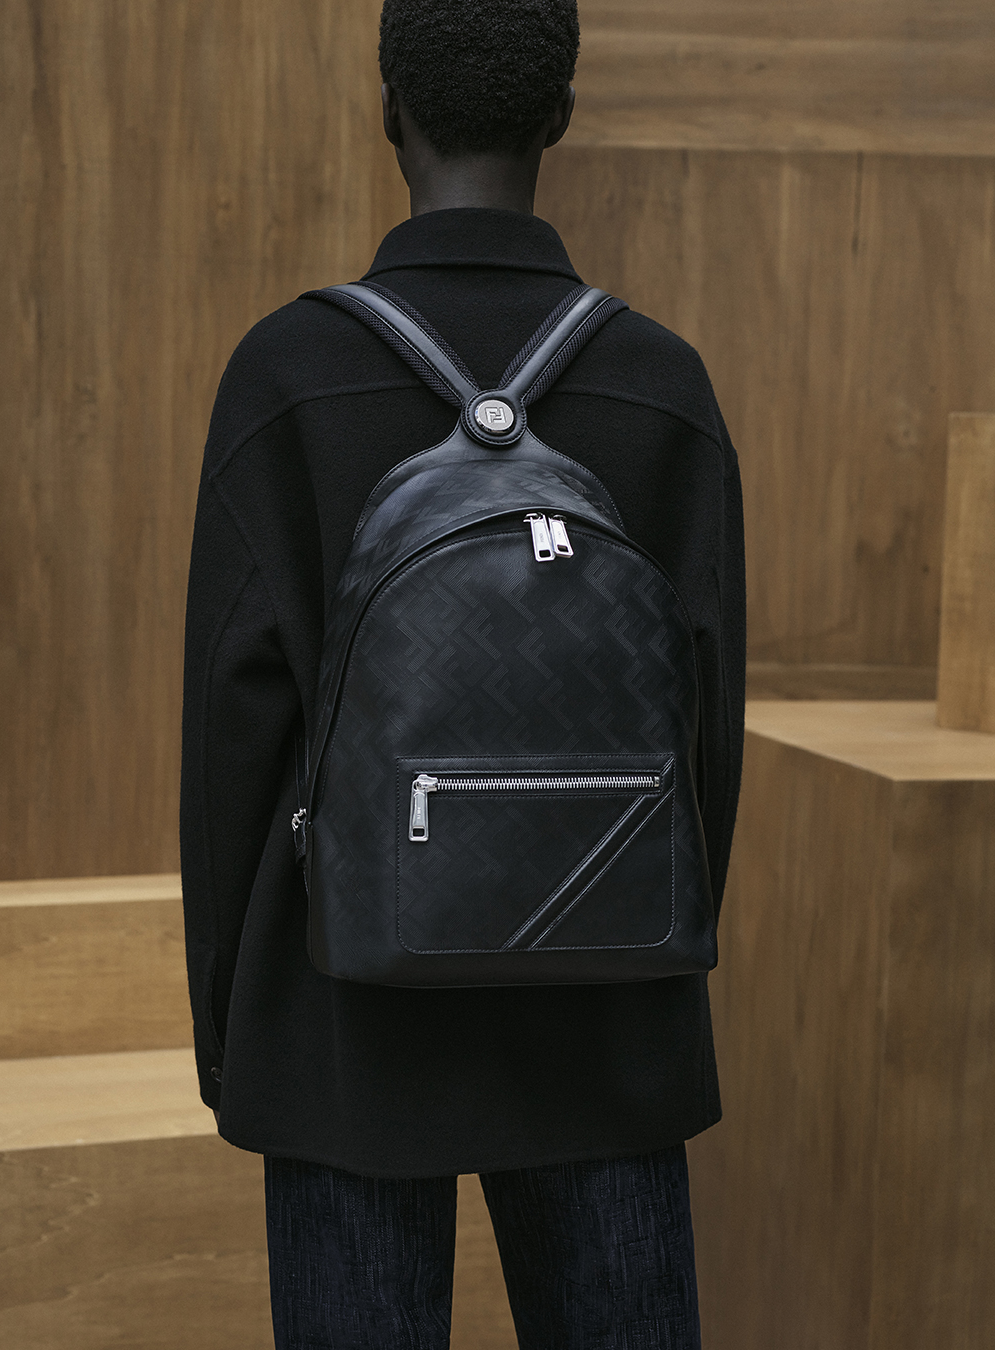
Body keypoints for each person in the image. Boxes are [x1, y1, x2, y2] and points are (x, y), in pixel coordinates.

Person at [180, 1, 745, 1344]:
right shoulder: (664, 385)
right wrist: (649, 950)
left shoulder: (287, 374)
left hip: (343, 1031)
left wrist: (233, 1034)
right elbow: (705, 735)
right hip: (608, 1031)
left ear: (389, 111)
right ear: (562, 116)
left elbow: (231, 741)